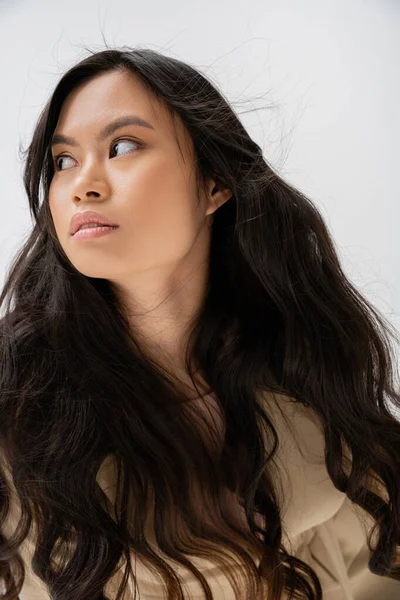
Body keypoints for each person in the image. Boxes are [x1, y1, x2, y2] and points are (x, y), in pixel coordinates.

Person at [0, 46, 399, 600]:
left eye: (122, 147)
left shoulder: (308, 398)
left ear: (214, 183)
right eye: (63, 161)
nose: (81, 185)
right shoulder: (16, 405)